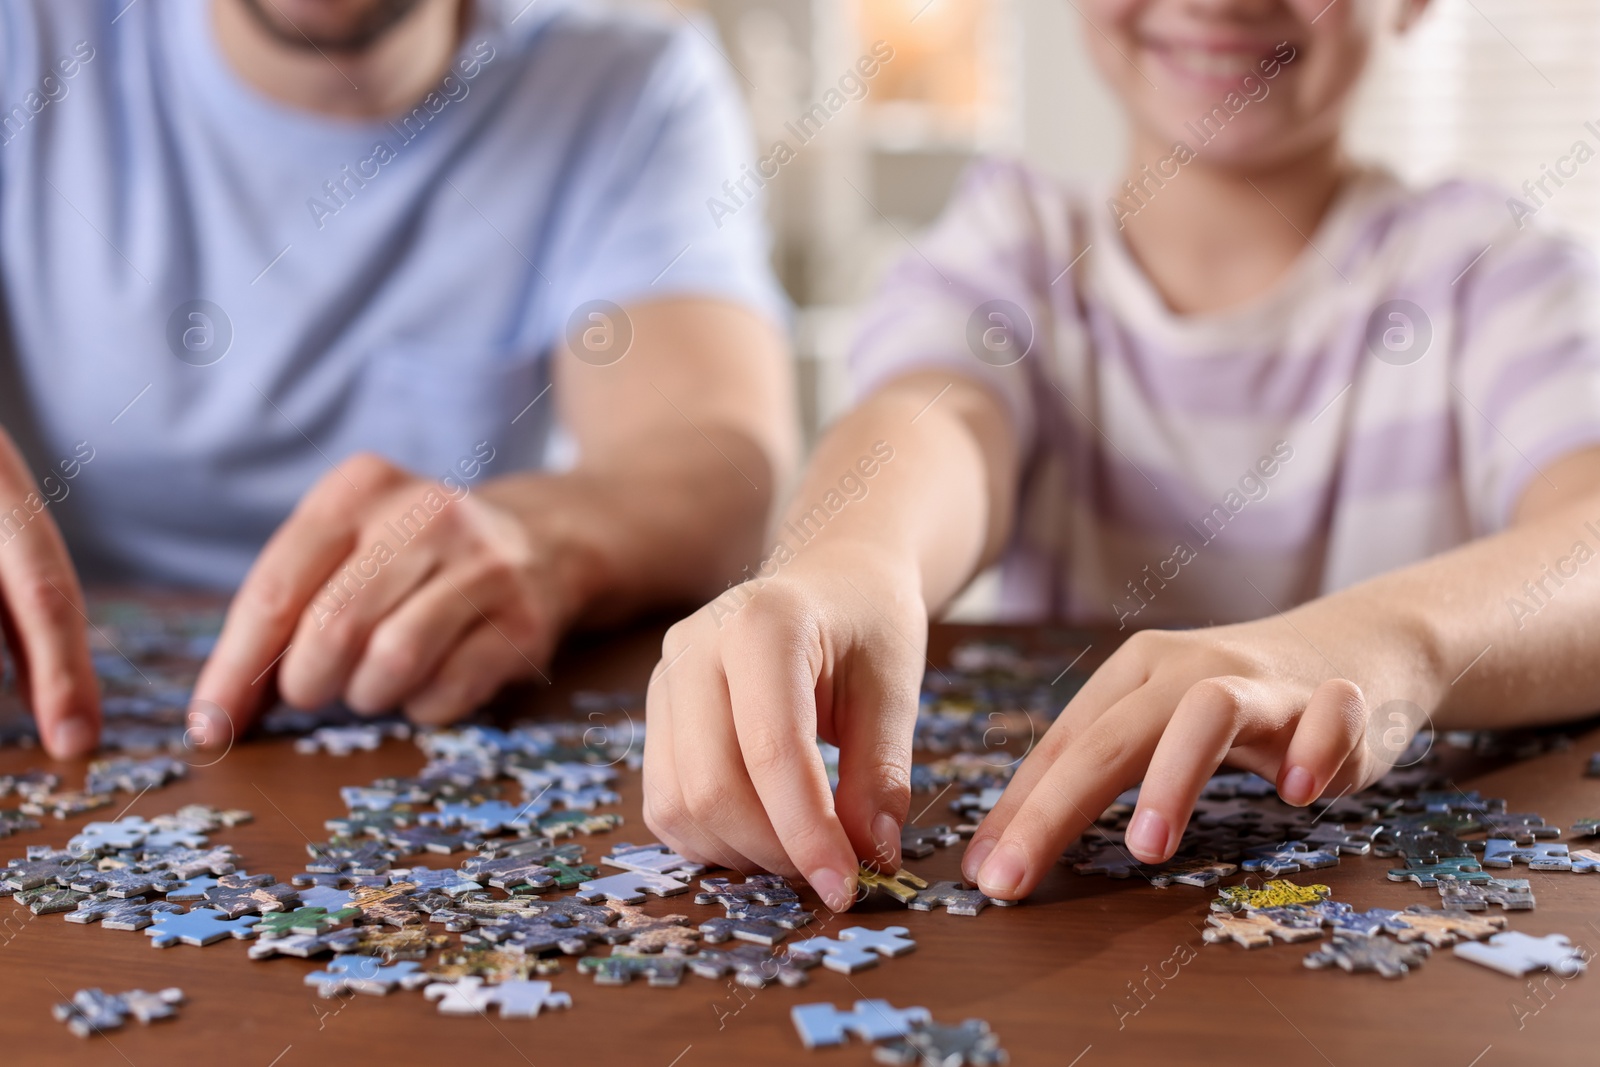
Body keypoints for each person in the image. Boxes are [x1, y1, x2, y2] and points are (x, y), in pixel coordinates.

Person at [643, 0, 1600, 912]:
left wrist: (1383, 644)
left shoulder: (1491, 272)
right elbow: (935, 416)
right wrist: (851, 556)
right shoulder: (1012, 248)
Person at [0, 0, 796, 758]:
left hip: (448, 713)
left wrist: (541, 538)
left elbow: (719, 466)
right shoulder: (25, 38)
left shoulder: (628, 82)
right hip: (60, 720)